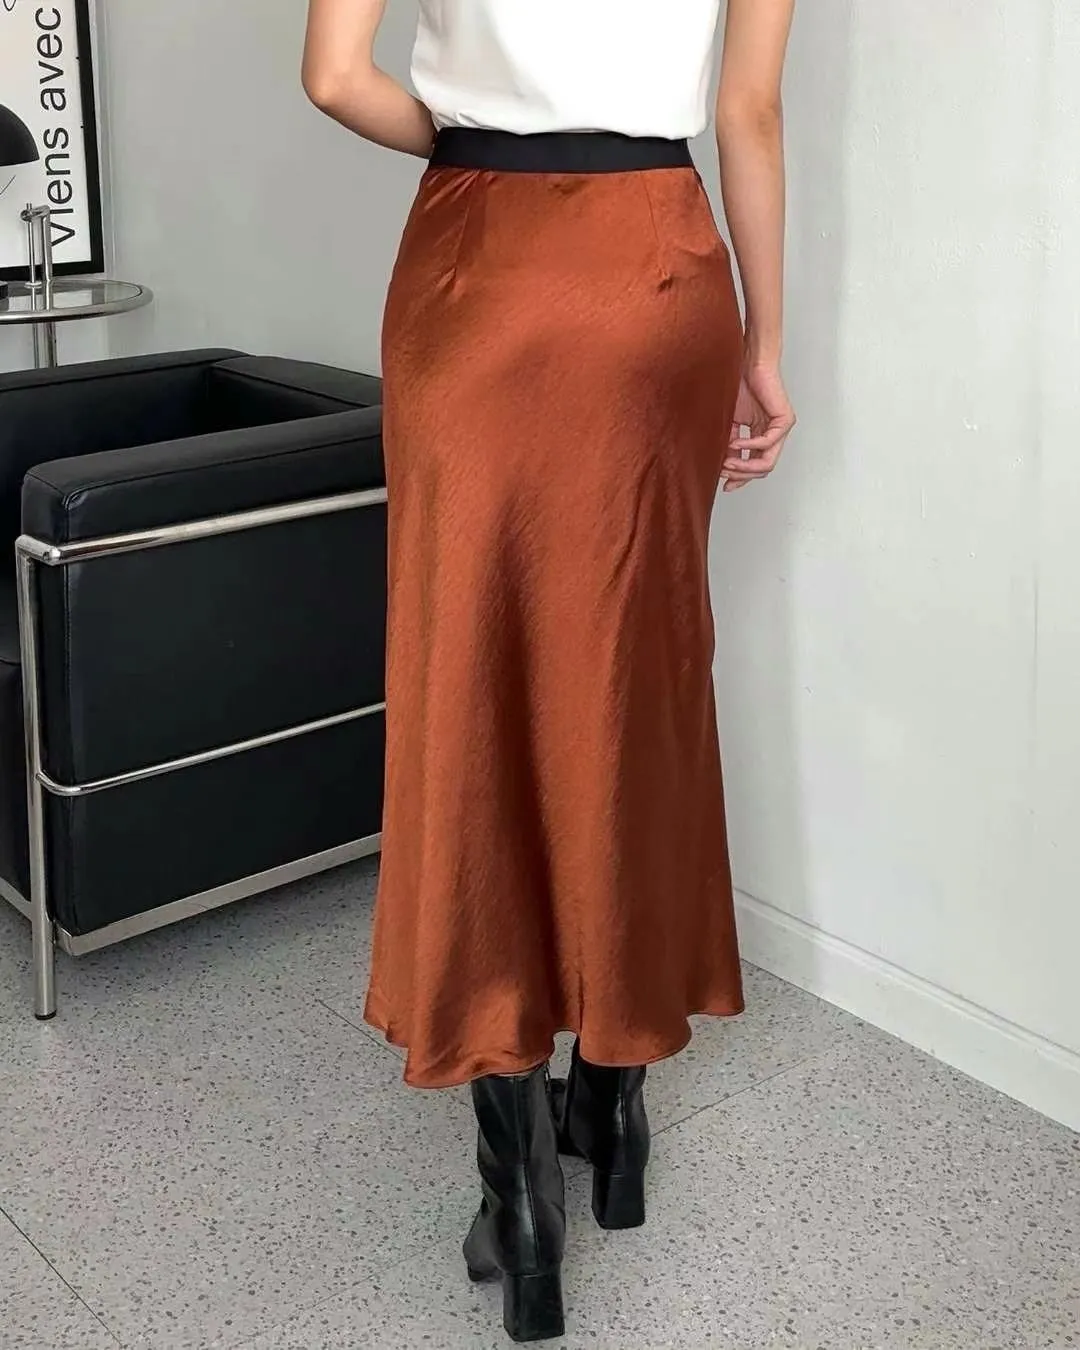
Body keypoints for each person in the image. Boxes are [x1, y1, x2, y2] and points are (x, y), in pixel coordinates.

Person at [302, 0, 796, 1340]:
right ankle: (615, 1110)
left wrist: (479, 141)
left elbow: (335, 79)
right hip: (661, 276)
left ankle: (519, 1202)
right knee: (639, 682)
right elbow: (748, 113)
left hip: (481, 270)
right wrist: (763, 348)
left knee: (472, 690)